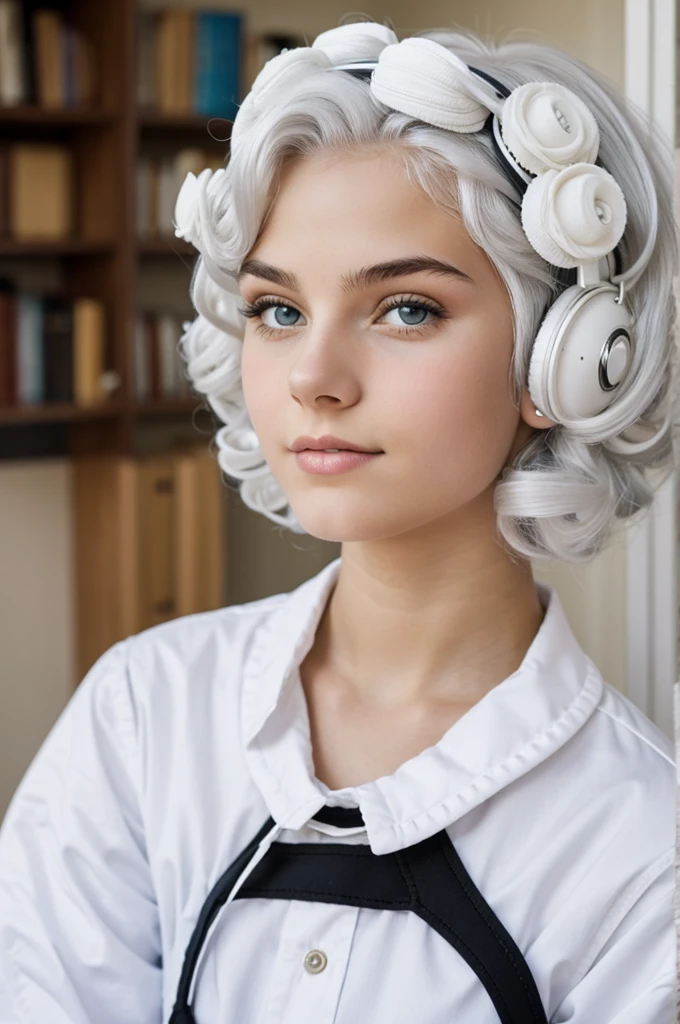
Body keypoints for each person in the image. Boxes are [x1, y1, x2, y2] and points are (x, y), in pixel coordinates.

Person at [0, 19, 677, 1024]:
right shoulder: (141, 718)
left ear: (562, 357)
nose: (312, 379)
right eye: (277, 310)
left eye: (405, 307)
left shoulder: (640, 847)